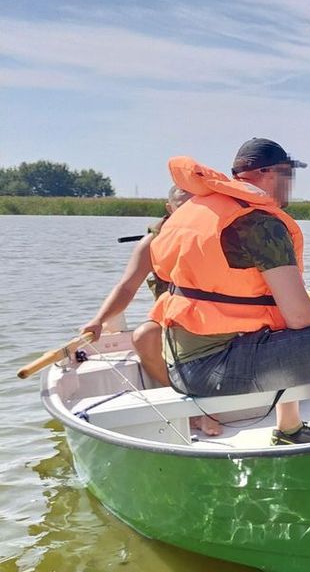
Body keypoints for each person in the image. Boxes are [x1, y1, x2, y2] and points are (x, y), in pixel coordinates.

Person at [149, 138, 310, 444]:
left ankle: (289, 428)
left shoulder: (197, 209)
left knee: (298, 334)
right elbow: (299, 318)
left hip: (178, 361)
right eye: (288, 174)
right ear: (268, 173)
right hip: (213, 368)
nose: (290, 184)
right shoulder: (260, 223)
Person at [81, 186, 222, 436]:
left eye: (196, 205)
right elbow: (126, 287)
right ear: (170, 209)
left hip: (223, 318)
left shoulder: (224, 235)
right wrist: (99, 320)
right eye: (182, 205)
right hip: (177, 319)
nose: (189, 212)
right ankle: (194, 408)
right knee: (144, 336)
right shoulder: (154, 242)